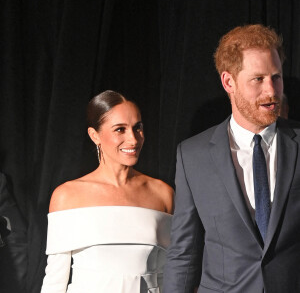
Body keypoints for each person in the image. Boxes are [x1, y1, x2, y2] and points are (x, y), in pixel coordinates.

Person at [164, 24, 300, 293]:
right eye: (258, 79)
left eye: (276, 77)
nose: (272, 91)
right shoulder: (193, 156)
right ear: (229, 82)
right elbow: (184, 252)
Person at [41, 90, 173, 293]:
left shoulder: (162, 194)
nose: (133, 139)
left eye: (137, 128)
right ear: (95, 136)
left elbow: (167, 275)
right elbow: (55, 281)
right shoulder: (67, 196)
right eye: (120, 129)